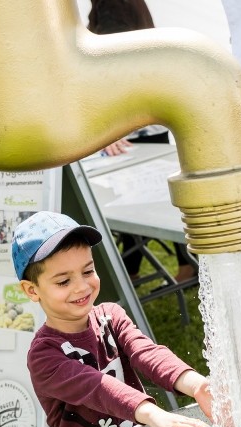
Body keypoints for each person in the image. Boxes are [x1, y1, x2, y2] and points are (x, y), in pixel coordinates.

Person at [11, 210, 214, 427]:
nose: (81, 286)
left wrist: (196, 384)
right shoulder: (43, 356)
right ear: (31, 291)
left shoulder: (110, 315)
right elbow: (97, 386)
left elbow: (145, 352)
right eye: (63, 281)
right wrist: (151, 412)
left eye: (87, 271)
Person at [87, 0, 196, 284]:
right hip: (146, 126)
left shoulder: (113, 14)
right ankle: (146, 270)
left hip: (134, 133)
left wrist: (110, 127)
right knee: (156, 198)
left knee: (140, 202)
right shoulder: (132, 15)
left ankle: (135, 272)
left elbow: (113, 68)